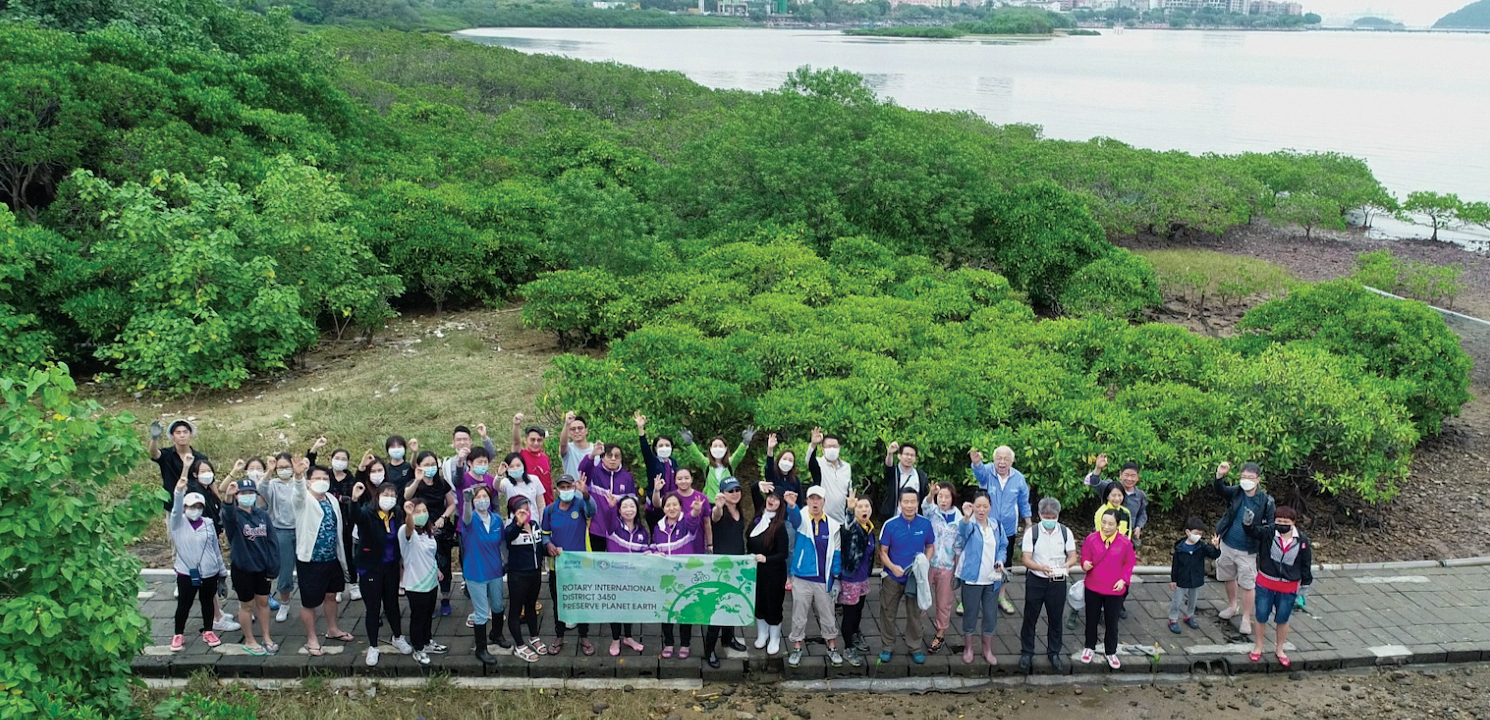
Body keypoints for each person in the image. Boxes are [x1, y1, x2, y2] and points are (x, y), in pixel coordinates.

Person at [148, 418, 236, 633]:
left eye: (185, 431)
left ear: (191, 434)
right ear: (172, 436)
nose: (181, 435)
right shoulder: (168, 455)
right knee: (180, 547)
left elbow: (211, 483)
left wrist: (221, 505)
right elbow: (154, 454)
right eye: (177, 432)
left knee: (207, 556)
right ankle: (186, 583)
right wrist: (154, 438)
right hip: (178, 510)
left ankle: (213, 610)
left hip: (200, 510)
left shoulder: (199, 458)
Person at [346, 481, 413, 665]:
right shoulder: (368, 513)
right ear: (377, 496)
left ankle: (398, 637)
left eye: (393, 495)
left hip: (391, 567)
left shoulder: (396, 513)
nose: (389, 499)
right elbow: (355, 516)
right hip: (370, 567)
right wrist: (354, 499)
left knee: (392, 605)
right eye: (386, 495)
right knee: (373, 608)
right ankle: (373, 646)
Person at [292, 461, 354, 656]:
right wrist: (298, 476)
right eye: (317, 478)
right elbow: (298, 493)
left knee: (331, 596)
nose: (321, 481)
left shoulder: (331, 499)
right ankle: (312, 638)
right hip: (310, 560)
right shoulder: (303, 500)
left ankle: (332, 629)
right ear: (309, 482)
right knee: (309, 602)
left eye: (325, 478)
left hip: (331, 557)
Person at [218, 473, 280, 656]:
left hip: (263, 568)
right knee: (246, 604)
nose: (247, 496)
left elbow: (272, 541)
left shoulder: (262, 515)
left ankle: (267, 637)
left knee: (263, 601)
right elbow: (227, 512)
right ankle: (249, 639)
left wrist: (273, 567)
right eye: (242, 492)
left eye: (250, 492)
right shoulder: (234, 517)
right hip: (243, 568)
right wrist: (228, 496)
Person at [784, 486, 845, 668]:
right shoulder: (801, 518)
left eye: (818, 499)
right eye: (811, 499)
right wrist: (792, 506)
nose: (815, 502)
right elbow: (793, 519)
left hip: (823, 579)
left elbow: (836, 553)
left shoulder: (833, 526)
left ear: (824, 502)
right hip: (802, 577)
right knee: (799, 615)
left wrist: (836, 578)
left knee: (828, 614)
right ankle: (796, 648)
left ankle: (832, 647)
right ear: (807, 501)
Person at [167, 466, 227, 652]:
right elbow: (175, 510)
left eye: (198, 507)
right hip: (187, 572)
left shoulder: (208, 524)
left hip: (209, 571)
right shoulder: (178, 523)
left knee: (207, 601)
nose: (194, 510)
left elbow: (215, 549)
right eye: (190, 507)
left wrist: (222, 573)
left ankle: (208, 630)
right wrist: (179, 492)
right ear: (185, 508)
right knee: (184, 604)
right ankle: (178, 634)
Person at [1214, 461, 1276, 636]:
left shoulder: (1266, 502)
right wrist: (1219, 476)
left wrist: (1252, 528)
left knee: (1248, 584)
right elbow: (1221, 490)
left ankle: (1246, 617)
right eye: (1243, 477)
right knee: (1228, 575)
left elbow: (1270, 528)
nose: (1246, 481)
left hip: (1247, 550)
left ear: (1258, 479)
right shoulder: (1237, 492)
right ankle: (1232, 605)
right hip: (1227, 543)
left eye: (1250, 478)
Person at [1246, 506, 1312, 668]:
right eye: (1278, 521)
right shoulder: (1268, 533)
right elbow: (1253, 532)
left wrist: (1305, 585)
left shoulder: (1302, 541)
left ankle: (1280, 649)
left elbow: (1305, 564)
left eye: (1285, 522)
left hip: (1288, 588)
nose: (1281, 524)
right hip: (1265, 583)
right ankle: (1258, 646)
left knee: (1283, 619)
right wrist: (1247, 523)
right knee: (1261, 615)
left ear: (1293, 523)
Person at [1019, 497, 1079, 673]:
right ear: (1039, 515)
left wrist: (1066, 566)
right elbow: (1026, 559)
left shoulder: (1065, 532)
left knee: (1055, 618)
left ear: (1058, 516)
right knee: (1030, 617)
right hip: (1037, 579)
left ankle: (1054, 652)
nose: (1050, 521)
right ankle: (1027, 652)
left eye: (1053, 518)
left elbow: (1073, 556)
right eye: (1046, 517)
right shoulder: (1032, 533)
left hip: (1058, 581)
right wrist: (1040, 567)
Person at [970, 446, 1031, 615]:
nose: (1002, 462)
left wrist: (1028, 523)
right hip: (984, 526)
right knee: (977, 558)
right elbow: (979, 473)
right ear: (994, 459)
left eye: (1006, 459)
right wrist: (976, 463)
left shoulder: (1018, 478)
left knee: (1005, 562)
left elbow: (1024, 502)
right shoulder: (987, 471)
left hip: (1008, 529)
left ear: (1012, 461)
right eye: (998, 458)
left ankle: (1001, 596)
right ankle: (966, 598)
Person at [542, 474, 597, 656]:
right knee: (559, 602)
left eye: (569, 487)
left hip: (580, 565)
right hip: (558, 565)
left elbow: (592, 511)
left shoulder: (580, 504)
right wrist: (548, 544)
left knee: (581, 602)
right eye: (562, 487)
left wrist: (586, 494)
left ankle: (584, 636)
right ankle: (559, 635)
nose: (566, 490)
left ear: (574, 488)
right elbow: (545, 534)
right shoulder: (550, 511)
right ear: (557, 489)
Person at [879, 487, 934, 664]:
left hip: (914, 578)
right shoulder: (890, 525)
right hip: (893, 577)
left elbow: (930, 546)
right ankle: (887, 646)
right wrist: (892, 567)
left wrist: (924, 562)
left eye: (913, 502)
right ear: (900, 503)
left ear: (918, 503)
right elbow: (883, 552)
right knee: (887, 612)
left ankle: (915, 646)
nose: (909, 506)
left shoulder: (925, 524)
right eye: (906, 502)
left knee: (915, 614)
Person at [954, 493, 1006, 666]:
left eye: (985, 506)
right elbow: (962, 533)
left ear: (990, 507)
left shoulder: (996, 525)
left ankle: (987, 649)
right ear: (973, 506)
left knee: (991, 615)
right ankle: (968, 647)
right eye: (978, 506)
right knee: (970, 613)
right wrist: (966, 517)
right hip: (972, 579)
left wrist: (1000, 560)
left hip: (992, 579)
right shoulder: (969, 525)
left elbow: (1003, 546)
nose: (981, 510)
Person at [1080, 509, 1136, 669]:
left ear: (1118, 525)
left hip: (1114, 589)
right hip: (1093, 586)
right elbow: (1084, 556)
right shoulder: (1091, 539)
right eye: (1104, 522)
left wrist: (1124, 580)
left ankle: (1110, 650)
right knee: (1091, 619)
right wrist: (1085, 564)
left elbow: (1129, 563)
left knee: (1112, 622)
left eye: (1111, 524)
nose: (1106, 526)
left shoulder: (1125, 543)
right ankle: (1089, 646)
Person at [404, 450, 458, 617]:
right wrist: (418, 479)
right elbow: (406, 496)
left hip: (441, 529)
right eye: (426, 465)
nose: (430, 468)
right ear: (419, 466)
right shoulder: (415, 483)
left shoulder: (442, 483)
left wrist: (443, 517)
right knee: (426, 565)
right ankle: (430, 601)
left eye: (432, 464)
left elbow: (451, 504)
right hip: (421, 529)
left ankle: (445, 599)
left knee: (444, 564)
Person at [652, 492, 706, 658]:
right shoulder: (658, 527)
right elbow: (653, 546)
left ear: (681, 507)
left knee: (685, 610)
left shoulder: (686, 523)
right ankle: (668, 643)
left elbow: (692, 522)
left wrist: (696, 511)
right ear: (664, 508)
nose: (671, 508)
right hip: (665, 578)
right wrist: (653, 553)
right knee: (666, 611)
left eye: (675, 505)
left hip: (685, 576)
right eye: (668, 505)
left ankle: (685, 643)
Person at [307, 438, 360, 603]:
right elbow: (309, 467)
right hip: (325, 519)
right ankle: (336, 588)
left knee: (347, 551)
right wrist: (315, 447)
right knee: (333, 554)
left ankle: (352, 583)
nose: (340, 461)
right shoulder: (325, 476)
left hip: (346, 521)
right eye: (337, 458)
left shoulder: (351, 479)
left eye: (344, 459)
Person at [704, 477, 749, 668]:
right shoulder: (719, 511)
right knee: (718, 609)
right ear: (723, 493)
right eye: (730, 491)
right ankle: (709, 649)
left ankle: (728, 638)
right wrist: (719, 506)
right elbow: (715, 515)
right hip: (721, 567)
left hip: (737, 566)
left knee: (733, 603)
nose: (735, 493)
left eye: (737, 489)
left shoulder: (740, 511)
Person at [462, 484, 509, 665]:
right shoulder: (470, 520)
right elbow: (466, 518)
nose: (482, 500)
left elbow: (502, 542)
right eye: (478, 498)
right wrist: (466, 501)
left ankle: (496, 634)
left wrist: (506, 560)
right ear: (473, 502)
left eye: (485, 496)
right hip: (476, 572)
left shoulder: (497, 520)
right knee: (481, 613)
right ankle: (481, 649)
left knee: (498, 606)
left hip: (495, 570)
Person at [505, 495, 553, 662]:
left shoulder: (534, 525)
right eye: (521, 509)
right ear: (513, 512)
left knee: (531, 606)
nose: (525, 511)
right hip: (518, 575)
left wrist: (552, 550)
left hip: (535, 573)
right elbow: (508, 537)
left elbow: (539, 548)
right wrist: (518, 524)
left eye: (527, 507)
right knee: (516, 609)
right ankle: (519, 645)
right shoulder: (511, 528)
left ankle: (534, 636)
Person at [399, 499, 446, 665]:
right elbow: (409, 527)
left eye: (423, 511)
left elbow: (429, 555)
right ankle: (418, 648)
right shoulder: (406, 532)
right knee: (418, 617)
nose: (422, 514)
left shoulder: (428, 532)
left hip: (431, 582)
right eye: (417, 512)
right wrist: (409, 514)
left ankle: (427, 642)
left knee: (428, 614)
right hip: (416, 584)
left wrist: (437, 570)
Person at [746, 488, 792, 656]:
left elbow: (783, 554)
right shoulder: (759, 516)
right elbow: (754, 489)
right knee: (758, 602)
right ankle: (762, 634)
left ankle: (774, 638)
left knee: (773, 604)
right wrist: (760, 485)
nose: (771, 501)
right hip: (755, 571)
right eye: (770, 497)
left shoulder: (779, 526)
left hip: (773, 573)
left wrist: (766, 559)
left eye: (776, 499)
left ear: (781, 505)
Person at [604, 495, 651, 656]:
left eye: (632, 506)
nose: (629, 510)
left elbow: (645, 551)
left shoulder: (642, 532)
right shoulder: (613, 527)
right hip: (614, 576)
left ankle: (628, 637)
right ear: (619, 510)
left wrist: (650, 554)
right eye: (625, 507)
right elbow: (608, 517)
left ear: (637, 509)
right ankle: (615, 639)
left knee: (629, 607)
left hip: (633, 577)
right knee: (615, 608)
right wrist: (610, 507)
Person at [920, 481, 962, 655]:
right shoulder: (932, 512)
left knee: (944, 602)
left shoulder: (960, 519)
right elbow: (925, 505)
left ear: (953, 498)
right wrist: (931, 494)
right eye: (940, 496)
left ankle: (940, 633)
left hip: (947, 567)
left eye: (947, 497)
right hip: (928, 563)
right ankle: (916, 629)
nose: (943, 500)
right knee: (921, 598)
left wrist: (957, 571)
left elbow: (959, 546)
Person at [837, 497, 875, 666]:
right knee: (849, 614)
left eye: (866, 506)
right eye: (860, 507)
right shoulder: (853, 527)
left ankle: (855, 634)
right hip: (850, 579)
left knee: (859, 611)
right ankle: (848, 647)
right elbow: (847, 526)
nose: (864, 509)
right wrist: (850, 510)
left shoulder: (870, 529)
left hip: (863, 579)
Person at [262, 452, 300, 623]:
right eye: (280, 467)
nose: (284, 470)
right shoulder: (273, 484)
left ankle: (309, 602)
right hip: (281, 531)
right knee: (285, 570)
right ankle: (284, 603)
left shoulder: (299, 483)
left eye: (287, 467)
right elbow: (261, 491)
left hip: (300, 530)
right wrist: (269, 471)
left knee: (307, 568)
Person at [579, 443, 637, 552]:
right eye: (609, 455)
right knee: (596, 564)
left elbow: (632, 504)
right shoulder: (594, 472)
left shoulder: (627, 478)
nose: (613, 459)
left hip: (618, 532)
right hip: (596, 529)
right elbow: (582, 469)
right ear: (602, 457)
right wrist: (592, 455)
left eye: (617, 456)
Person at [1169, 518, 1222, 634]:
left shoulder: (1201, 546)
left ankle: (1189, 616)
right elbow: (1175, 565)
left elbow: (1214, 554)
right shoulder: (1180, 548)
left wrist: (1216, 547)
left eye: (1200, 534)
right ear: (1188, 532)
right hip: (1182, 578)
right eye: (1196, 533)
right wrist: (1173, 580)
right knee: (1177, 601)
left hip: (1196, 578)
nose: (1198, 536)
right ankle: (1173, 619)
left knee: (1193, 600)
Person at [1083, 455, 1149, 547]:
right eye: (1126, 475)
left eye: (1133, 476)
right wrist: (1098, 468)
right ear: (1120, 475)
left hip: (1126, 537)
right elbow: (1095, 482)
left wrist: (1138, 527)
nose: (1129, 479)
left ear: (1138, 477)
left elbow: (1142, 513)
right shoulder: (1111, 487)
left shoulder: (1140, 495)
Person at [680, 426, 754, 498]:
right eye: (715, 446)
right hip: (710, 502)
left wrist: (745, 442)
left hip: (727, 501)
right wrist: (690, 443)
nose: (718, 448)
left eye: (720, 446)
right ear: (710, 449)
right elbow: (696, 455)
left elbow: (739, 454)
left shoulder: (730, 463)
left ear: (726, 449)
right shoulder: (706, 464)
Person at [635, 412, 681, 526]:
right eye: (660, 446)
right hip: (655, 508)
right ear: (655, 448)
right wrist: (641, 430)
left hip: (672, 505)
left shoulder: (673, 462)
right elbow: (645, 449)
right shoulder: (653, 461)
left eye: (667, 445)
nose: (664, 448)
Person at [654, 467, 710, 554]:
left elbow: (707, 522)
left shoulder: (701, 498)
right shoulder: (672, 497)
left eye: (686, 478)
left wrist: (710, 543)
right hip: (676, 542)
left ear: (692, 479)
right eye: (679, 479)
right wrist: (656, 491)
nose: (683, 481)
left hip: (697, 541)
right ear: (675, 481)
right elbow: (657, 504)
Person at [806, 428, 853, 524]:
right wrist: (813, 444)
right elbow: (809, 461)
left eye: (835, 446)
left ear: (839, 448)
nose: (832, 449)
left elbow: (849, 490)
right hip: (822, 519)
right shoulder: (819, 463)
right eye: (828, 446)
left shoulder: (847, 467)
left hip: (841, 520)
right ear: (823, 449)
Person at [881, 441, 929, 520]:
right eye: (906, 454)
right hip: (895, 516)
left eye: (912, 455)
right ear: (899, 456)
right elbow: (888, 466)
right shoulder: (894, 472)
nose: (909, 457)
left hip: (915, 518)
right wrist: (890, 453)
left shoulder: (921, 475)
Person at [512, 414, 554, 501]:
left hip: (547, 503)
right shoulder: (521, 455)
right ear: (526, 440)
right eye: (532, 440)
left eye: (539, 440)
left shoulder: (545, 458)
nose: (536, 443)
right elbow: (516, 442)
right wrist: (516, 425)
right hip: (529, 504)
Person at [761, 433, 803, 504]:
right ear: (779, 460)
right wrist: (770, 449)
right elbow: (769, 465)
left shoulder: (795, 480)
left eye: (790, 460)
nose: (787, 462)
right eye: (784, 459)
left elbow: (800, 500)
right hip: (774, 510)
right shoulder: (773, 475)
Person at [558, 411, 594, 482]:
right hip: (572, 492)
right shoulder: (568, 449)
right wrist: (567, 424)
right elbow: (563, 444)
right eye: (573, 429)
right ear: (569, 433)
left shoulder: (595, 450)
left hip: (592, 492)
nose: (577, 431)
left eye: (580, 428)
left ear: (586, 431)